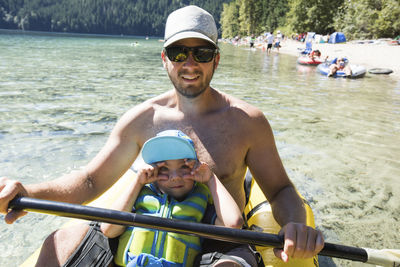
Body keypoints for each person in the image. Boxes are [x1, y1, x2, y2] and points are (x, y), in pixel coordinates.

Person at [0, 5, 324, 267]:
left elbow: (280, 189)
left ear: (217, 58)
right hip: (148, 227)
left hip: (218, 240)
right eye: (179, 52)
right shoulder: (142, 119)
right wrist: (29, 191)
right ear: (164, 58)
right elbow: (89, 182)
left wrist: (296, 223)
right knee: (58, 242)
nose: (190, 64)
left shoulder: (247, 122)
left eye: (203, 52)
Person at [100, 129, 243, 266]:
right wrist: (138, 183)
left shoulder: (200, 201)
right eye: (164, 169)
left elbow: (233, 224)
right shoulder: (139, 196)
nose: (175, 177)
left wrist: (211, 179)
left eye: (184, 167)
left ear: (195, 168)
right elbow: (109, 229)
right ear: (153, 170)